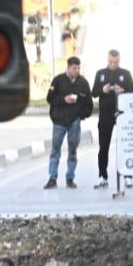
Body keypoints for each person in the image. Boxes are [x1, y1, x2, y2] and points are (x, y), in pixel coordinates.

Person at [91, 50, 133, 189]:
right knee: (103, 147)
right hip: (105, 114)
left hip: (122, 114)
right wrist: (103, 90)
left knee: (126, 146)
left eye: (116, 62)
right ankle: (102, 176)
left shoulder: (125, 73)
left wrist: (122, 91)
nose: (113, 64)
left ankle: (128, 176)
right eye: (111, 62)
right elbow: (93, 93)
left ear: (119, 60)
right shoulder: (100, 73)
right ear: (107, 59)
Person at [45, 56, 92, 189]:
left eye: (78, 68)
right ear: (68, 67)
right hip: (59, 121)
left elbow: (89, 104)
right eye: (74, 68)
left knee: (73, 150)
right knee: (55, 150)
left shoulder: (83, 83)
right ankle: (52, 178)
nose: (77, 71)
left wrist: (81, 116)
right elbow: (50, 99)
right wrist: (63, 100)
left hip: (74, 122)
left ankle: (70, 178)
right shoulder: (58, 80)